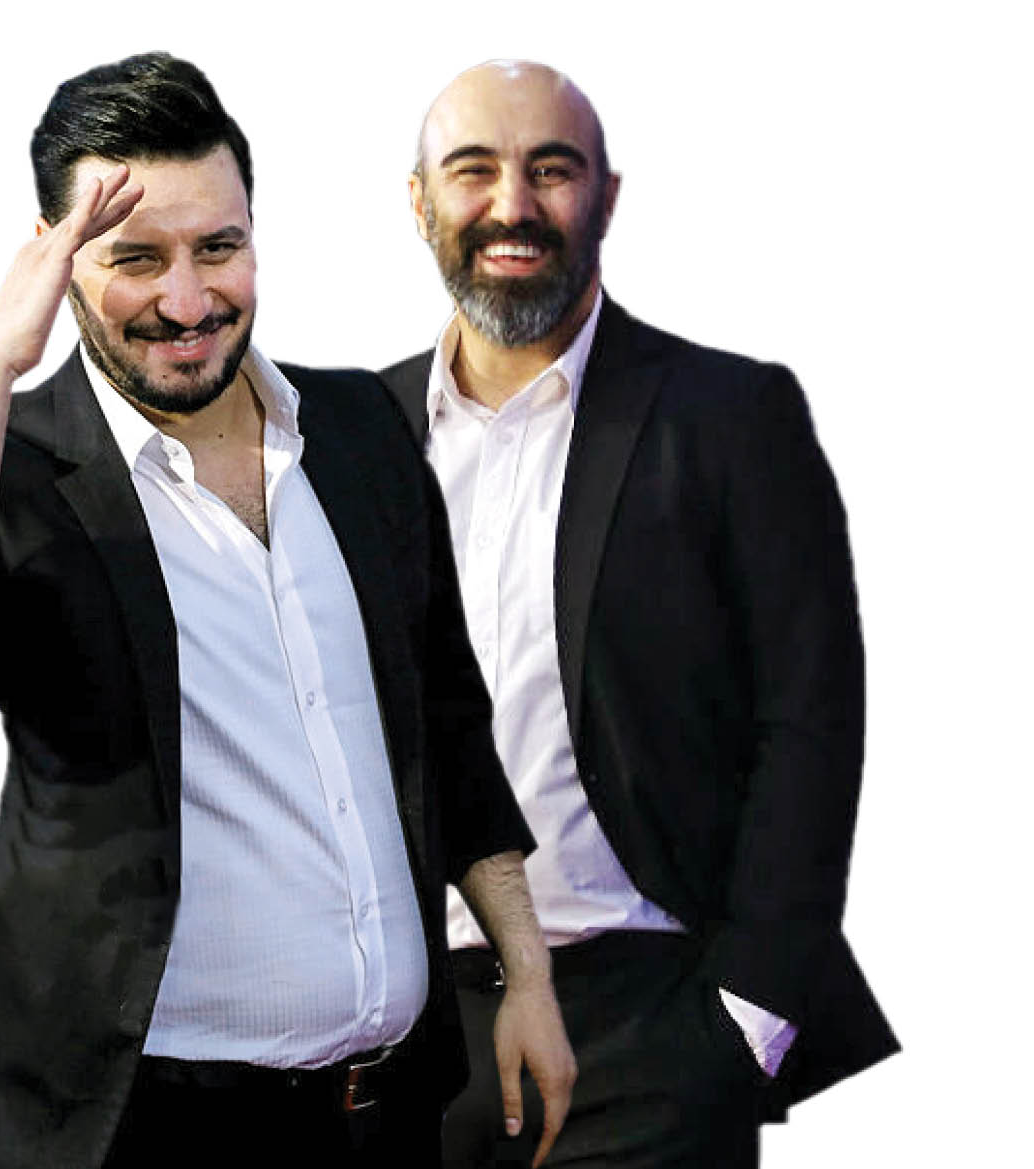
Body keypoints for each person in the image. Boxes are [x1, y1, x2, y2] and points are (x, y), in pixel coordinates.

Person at [0, 53, 577, 1169]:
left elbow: (451, 730)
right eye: (135, 258)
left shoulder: (361, 429)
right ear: (55, 259)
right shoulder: (1, 467)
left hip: (380, 1115)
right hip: (136, 1130)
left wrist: (528, 973)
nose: (186, 301)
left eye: (217, 248)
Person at [380, 60, 899, 1167]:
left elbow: (811, 718)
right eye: (473, 170)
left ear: (606, 196)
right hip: (395, 1047)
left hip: (646, 1035)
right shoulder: (344, 436)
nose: (512, 204)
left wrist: (749, 1016)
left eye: (550, 169)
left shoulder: (730, 417)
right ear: (418, 202)